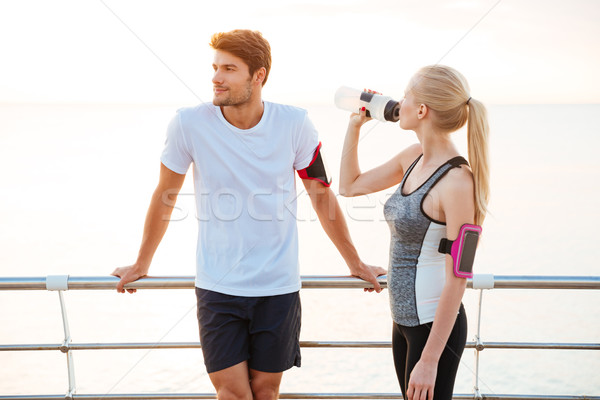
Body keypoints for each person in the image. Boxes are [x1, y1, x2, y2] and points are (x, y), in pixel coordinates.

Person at [111, 29, 385, 400]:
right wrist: (142, 262)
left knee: (266, 392)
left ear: (259, 76)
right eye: (214, 67)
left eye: (229, 69)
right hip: (217, 287)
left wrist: (355, 262)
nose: (216, 78)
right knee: (233, 393)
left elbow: (321, 196)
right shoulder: (188, 123)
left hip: (278, 287)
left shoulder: (295, 124)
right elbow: (166, 194)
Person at [339, 65, 490, 400]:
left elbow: (459, 275)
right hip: (402, 321)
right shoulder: (413, 157)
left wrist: (430, 360)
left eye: (406, 96)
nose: (400, 103)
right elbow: (349, 186)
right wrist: (355, 125)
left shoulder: (457, 182)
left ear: (422, 110)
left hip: (434, 330)